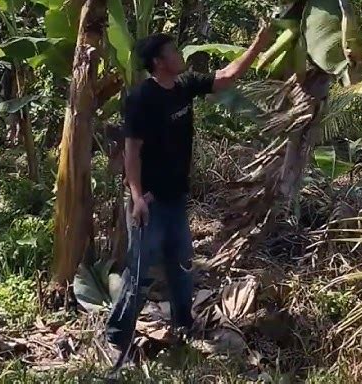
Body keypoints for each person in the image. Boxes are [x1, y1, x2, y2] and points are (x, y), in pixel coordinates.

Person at [106, 26, 271, 360]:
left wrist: (258, 44)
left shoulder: (182, 87)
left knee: (181, 263)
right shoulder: (142, 98)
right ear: (158, 61)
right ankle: (116, 336)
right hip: (149, 202)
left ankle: (183, 323)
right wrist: (137, 197)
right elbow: (132, 152)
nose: (180, 57)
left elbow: (226, 76)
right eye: (173, 52)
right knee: (139, 271)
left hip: (176, 197)